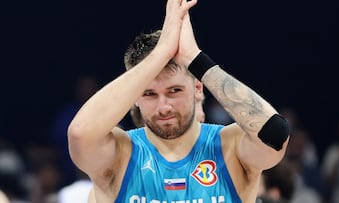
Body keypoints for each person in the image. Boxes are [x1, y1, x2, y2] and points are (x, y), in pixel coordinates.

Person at [67, 0, 290, 202]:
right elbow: (80, 134)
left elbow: (275, 135)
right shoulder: (119, 155)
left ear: (197, 88)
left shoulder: (230, 147)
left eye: (174, 90)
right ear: (134, 96)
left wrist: (194, 59)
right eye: (149, 93)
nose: (164, 107)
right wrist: (161, 53)